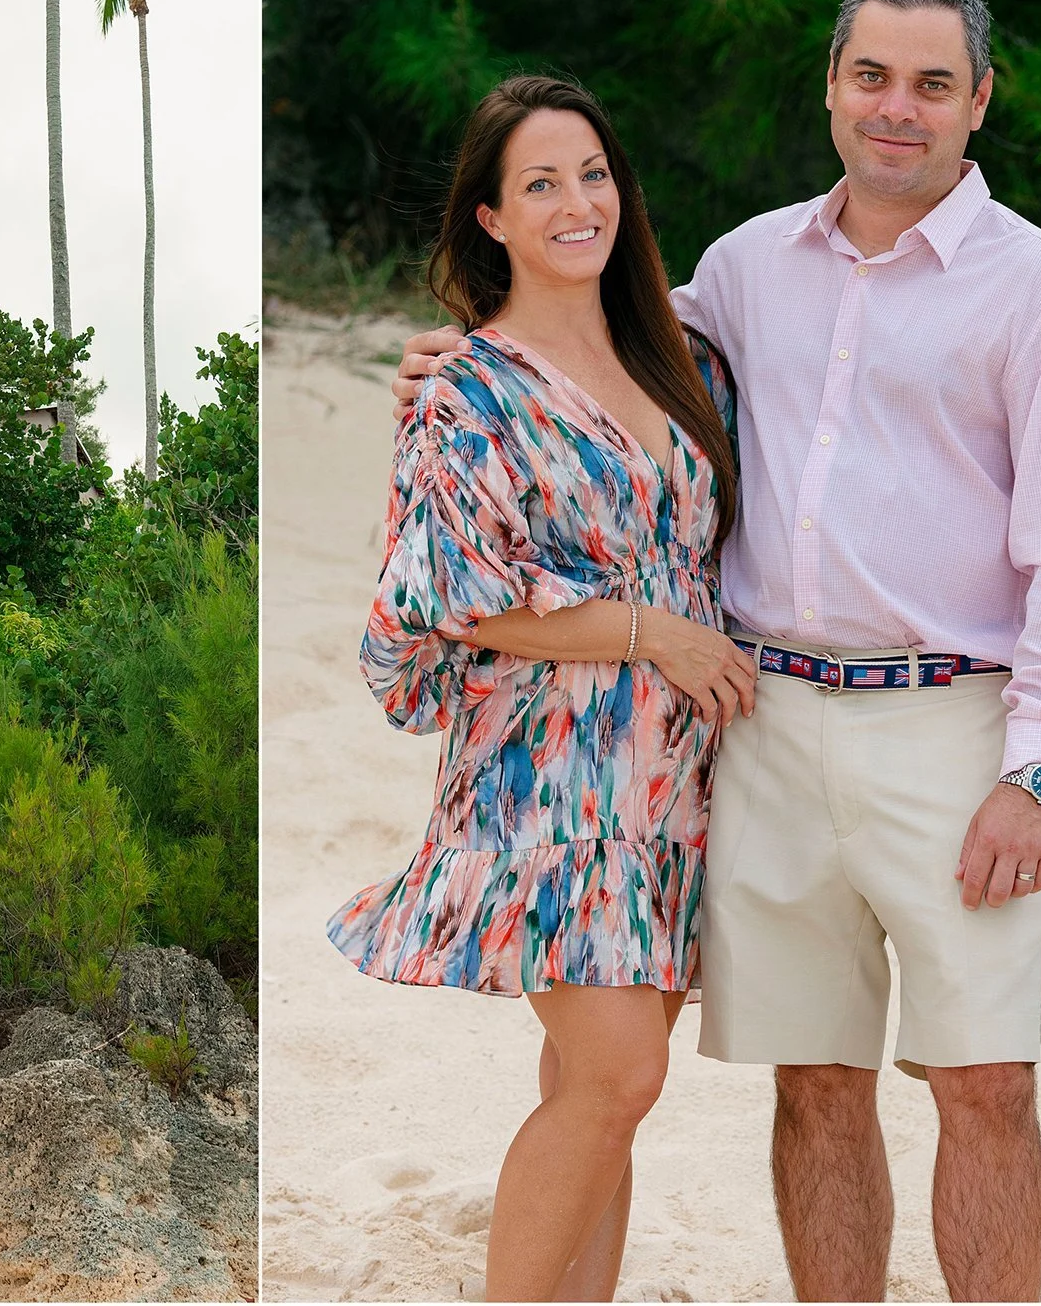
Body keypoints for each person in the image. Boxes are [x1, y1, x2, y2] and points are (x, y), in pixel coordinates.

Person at [392, 0, 1041, 1301]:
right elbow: (593, 354)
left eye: (932, 83)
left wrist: (1039, 769)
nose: (897, 108)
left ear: (979, 102)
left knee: (985, 1080)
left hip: (951, 726)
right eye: (872, 76)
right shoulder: (748, 267)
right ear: (832, 85)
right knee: (818, 1079)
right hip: (763, 727)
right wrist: (463, 348)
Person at [331, 74, 755, 1302]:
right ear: (489, 220)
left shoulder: (682, 357)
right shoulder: (464, 385)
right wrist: (652, 635)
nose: (577, 203)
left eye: (592, 174)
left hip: (676, 776)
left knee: (594, 1092)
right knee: (621, 1075)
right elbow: (452, 590)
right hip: (546, 766)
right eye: (539, 184)